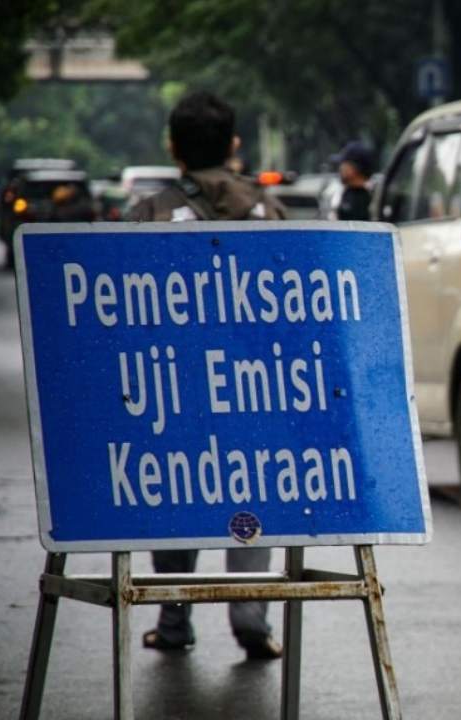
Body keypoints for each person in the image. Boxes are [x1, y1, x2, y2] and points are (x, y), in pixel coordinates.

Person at [129, 91, 287, 659]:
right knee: (252, 503)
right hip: (257, 393)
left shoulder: (148, 214)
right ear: (235, 144)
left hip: (176, 396)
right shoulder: (269, 210)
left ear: (173, 148)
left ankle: (173, 625)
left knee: (175, 503)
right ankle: (251, 618)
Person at [333, 141, 376, 221]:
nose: (340, 168)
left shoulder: (363, 200)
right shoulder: (347, 193)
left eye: (344, 163)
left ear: (355, 168)